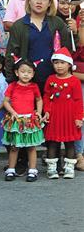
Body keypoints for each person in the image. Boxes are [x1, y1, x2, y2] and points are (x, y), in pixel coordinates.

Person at [4, 0, 73, 88]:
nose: (39, 2)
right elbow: (11, 55)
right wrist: (11, 82)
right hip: (26, 82)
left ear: (50, 2)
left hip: (54, 81)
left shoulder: (57, 23)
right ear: (29, 0)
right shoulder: (19, 25)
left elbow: (67, 50)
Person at [41, 47, 82, 180]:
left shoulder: (74, 81)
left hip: (69, 116)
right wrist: (46, 111)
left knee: (70, 142)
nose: (59, 66)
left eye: (62, 63)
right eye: (56, 62)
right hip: (54, 115)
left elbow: (78, 101)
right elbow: (46, 97)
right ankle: (52, 168)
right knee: (52, 142)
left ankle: (69, 167)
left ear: (69, 64)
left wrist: (79, 117)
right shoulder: (50, 79)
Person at [2, 60, 45, 182]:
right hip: (16, 120)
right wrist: (12, 112)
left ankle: (32, 170)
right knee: (14, 146)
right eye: (23, 71)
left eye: (29, 72)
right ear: (16, 72)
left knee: (31, 147)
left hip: (29, 120)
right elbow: (6, 101)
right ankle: (11, 169)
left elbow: (39, 99)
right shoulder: (13, 86)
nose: (26, 74)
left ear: (33, 74)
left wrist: (38, 111)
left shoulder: (34, 86)